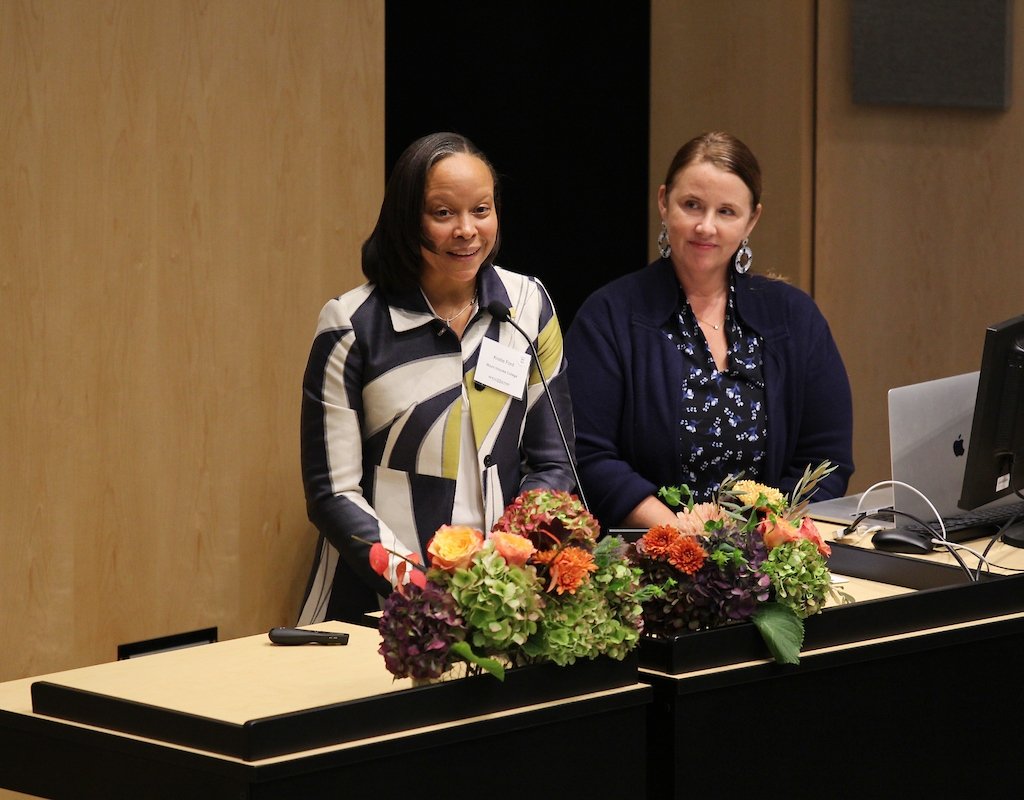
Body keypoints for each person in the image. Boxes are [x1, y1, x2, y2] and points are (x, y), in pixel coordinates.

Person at [297, 132, 576, 624]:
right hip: (375, 605)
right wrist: (422, 590)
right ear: (407, 219)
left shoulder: (527, 306)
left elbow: (555, 463)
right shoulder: (352, 324)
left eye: (482, 210)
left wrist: (503, 570)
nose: (467, 230)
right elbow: (332, 494)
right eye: (443, 213)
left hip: (504, 602)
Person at [564, 131, 853, 530]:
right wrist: (679, 533)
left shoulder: (793, 316)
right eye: (691, 205)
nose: (705, 227)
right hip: (647, 556)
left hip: (770, 557)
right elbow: (589, 456)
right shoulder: (610, 316)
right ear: (664, 203)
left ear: (752, 219)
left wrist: (767, 536)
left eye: (726, 212)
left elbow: (826, 458)